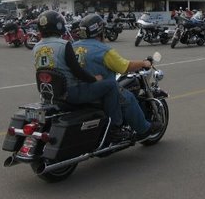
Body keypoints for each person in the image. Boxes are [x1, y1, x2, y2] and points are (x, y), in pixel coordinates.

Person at [32, 10, 131, 143]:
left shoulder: (36, 47)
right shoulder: (64, 45)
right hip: (72, 93)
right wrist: (93, 79)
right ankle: (116, 127)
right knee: (111, 85)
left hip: (49, 94)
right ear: (59, 26)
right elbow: (77, 71)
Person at [72, 13, 162, 140]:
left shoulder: (72, 46)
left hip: (79, 90)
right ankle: (144, 129)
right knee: (128, 98)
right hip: (101, 91)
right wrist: (143, 63)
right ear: (99, 30)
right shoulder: (103, 50)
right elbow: (124, 66)